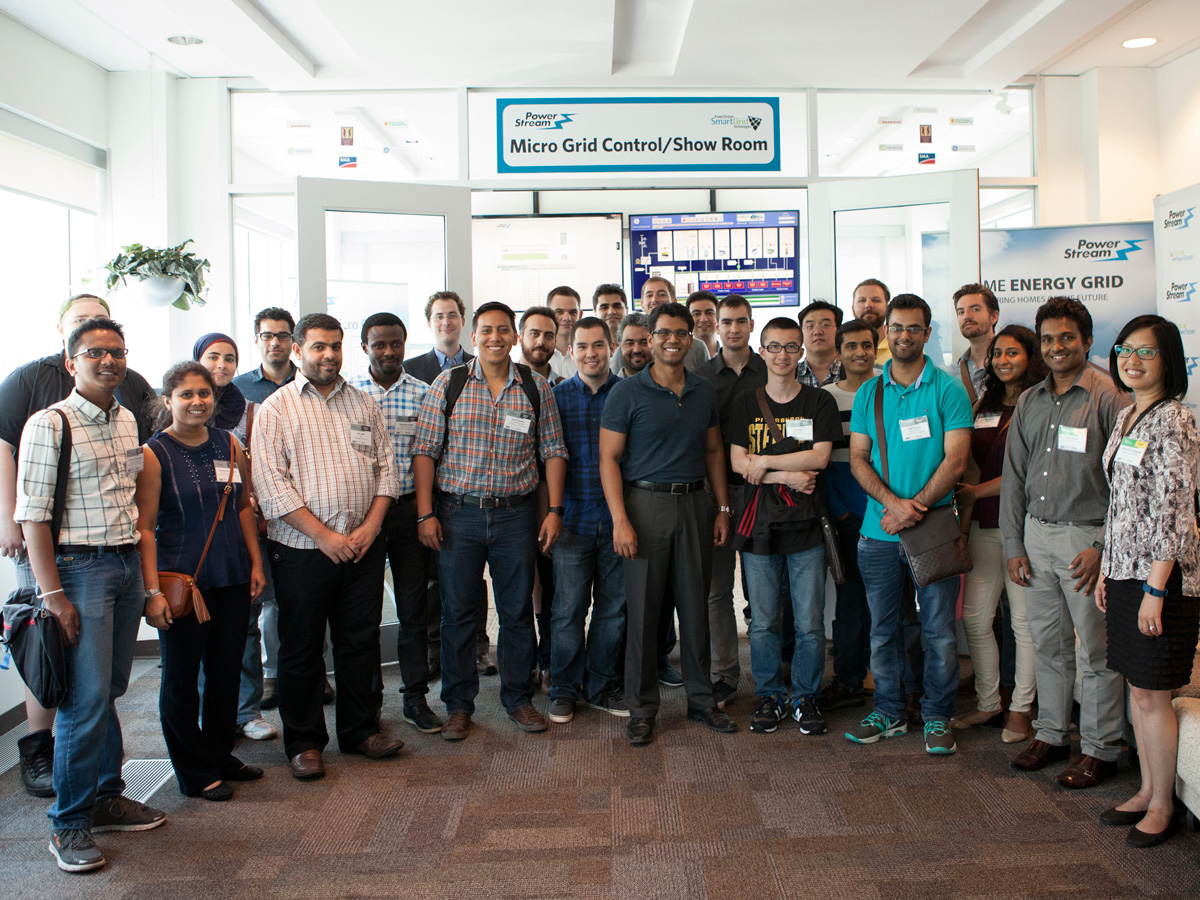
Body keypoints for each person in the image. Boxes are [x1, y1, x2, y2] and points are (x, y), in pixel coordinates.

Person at [15, 317, 166, 873]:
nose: (109, 361)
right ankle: (69, 823)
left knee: (108, 689)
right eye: (95, 352)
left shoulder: (127, 419)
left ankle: (104, 796)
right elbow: (31, 516)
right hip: (77, 569)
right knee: (83, 701)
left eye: (118, 351)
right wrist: (53, 594)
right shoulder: (48, 424)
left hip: (124, 563)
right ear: (70, 360)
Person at [251, 312, 404, 781]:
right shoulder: (276, 409)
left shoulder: (363, 404)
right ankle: (304, 742)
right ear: (297, 350)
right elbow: (271, 485)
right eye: (318, 346)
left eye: (335, 345)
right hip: (301, 550)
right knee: (301, 648)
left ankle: (361, 731)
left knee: (359, 643)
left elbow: (387, 471)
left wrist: (370, 528)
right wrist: (324, 537)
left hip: (361, 547)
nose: (329, 355)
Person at [412, 301, 568, 741]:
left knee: (517, 612)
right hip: (457, 514)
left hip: (516, 516)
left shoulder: (536, 387)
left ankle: (518, 699)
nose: (495, 337)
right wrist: (425, 513)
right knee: (458, 614)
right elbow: (425, 450)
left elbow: (553, 453)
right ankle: (459, 706)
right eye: (486, 330)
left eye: (503, 330)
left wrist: (553, 511)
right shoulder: (449, 383)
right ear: (473, 336)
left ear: (514, 337)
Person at [1002, 297, 1130, 789]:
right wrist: (1014, 543)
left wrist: (1102, 544)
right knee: (1049, 645)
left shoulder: (1108, 396)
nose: (1057, 347)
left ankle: (1101, 747)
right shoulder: (1031, 400)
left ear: (1088, 341)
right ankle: (1053, 733)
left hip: (1086, 540)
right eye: (1049, 339)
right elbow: (1014, 477)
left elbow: (1126, 482)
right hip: (1036, 537)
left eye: (1067, 338)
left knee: (1095, 651)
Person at [600, 301, 737, 746]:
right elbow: (608, 459)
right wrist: (620, 520)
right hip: (644, 506)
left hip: (696, 504)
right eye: (663, 333)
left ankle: (701, 702)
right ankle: (641, 710)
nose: (673, 339)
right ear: (651, 338)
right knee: (643, 612)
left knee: (695, 608)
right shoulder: (626, 392)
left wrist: (722, 508)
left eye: (681, 332)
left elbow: (715, 452)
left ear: (691, 337)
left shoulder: (702, 390)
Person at [135, 362, 267, 802]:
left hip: (230, 576)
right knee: (181, 679)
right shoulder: (154, 454)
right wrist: (152, 592)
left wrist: (255, 563)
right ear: (168, 400)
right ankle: (193, 770)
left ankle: (218, 753)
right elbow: (146, 527)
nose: (197, 402)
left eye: (204, 394)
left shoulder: (229, 443)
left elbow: (244, 508)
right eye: (187, 394)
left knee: (226, 673)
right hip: (183, 585)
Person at [847, 293, 973, 755]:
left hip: (933, 529)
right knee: (884, 629)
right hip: (877, 532)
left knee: (938, 630)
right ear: (886, 332)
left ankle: (938, 716)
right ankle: (889, 710)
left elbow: (957, 461)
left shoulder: (947, 390)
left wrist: (913, 506)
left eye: (913, 328)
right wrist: (892, 504)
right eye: (896, 327)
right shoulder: (869, 392)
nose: (903, 335)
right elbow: (859, 459)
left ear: (926, 332)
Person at [1095, 314, 1200, 848]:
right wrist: (1108, 570)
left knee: (1155, 694)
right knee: (1138, 690)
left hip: (1163, 581)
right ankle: (1146, 789)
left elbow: (1175, 512)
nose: (1131, 360)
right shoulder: (1128, 416)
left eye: (1146, 352)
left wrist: (1156, 588)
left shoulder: (1175, 419)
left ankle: (1164, 806)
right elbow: (1123, 506)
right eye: (1124, 349)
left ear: (1169, 359)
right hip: (1126, 573)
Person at [728, 318, 840, 734]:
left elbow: (820, 458)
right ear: (762, 352)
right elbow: (739, 464)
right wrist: (786, 476)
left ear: (801, 353)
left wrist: (767, 463)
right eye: (773, 347)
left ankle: (805, 696)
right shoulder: (744, 402)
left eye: (790, 347)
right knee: (764, 620)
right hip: (760, 527)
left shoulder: (818, 402)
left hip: (806, 527)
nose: (782, 356)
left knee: (810, 622)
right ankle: (771, 695)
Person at [347, 312, 442, 734]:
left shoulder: (425, 393)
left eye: (395, 344)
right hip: (362, 517)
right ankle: (369, 704)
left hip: (407, 512)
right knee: (364, 615)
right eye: (379, 344)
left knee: (414, 610)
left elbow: (432, 456)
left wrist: (426, 513)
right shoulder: (347, 396)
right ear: (365, 346)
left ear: (405, 344)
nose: (388, 352)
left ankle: (415, 697)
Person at [951, 325, 1044, 742]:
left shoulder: (1041, 404)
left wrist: (973, 492)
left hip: (1023, 530)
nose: (1004, 360)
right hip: (984, 526)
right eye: (998, 354)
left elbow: (1028, 476)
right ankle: (990, 704)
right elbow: (970, 464)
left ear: (1031, 357)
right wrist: (965, 523)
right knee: (975, 619)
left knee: (1023, 625)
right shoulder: (983, 406)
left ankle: (1022, 709)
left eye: (1013, 353)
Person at [403, 290, 494, 680]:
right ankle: (434, 650)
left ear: (463, 322)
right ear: (430, 323)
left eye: (453, 315)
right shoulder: (411, 369)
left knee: (474, 577)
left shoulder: (485, 365)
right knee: (435, 579)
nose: (447, 322)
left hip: (469, 490)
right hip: (428, 491)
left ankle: (479, 647)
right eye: (439, 316)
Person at [195, 331, 279, 740]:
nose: (222, 366)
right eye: (214, 357)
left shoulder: (250, 410)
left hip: (240, 527)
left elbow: (260, 471)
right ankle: (204, 716)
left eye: (230, 358)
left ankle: (246, 711)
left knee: (244, 625)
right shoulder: (177, 407)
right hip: (193, 537)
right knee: (195, 626)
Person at [547, 317, 628, 722]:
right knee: (568, 611)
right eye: (582, 346)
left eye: (598, 345)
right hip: (573, 522)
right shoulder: (556, 397)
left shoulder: (628, 394)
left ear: (610, 346)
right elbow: (546, 460)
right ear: (571, 350)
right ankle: (563, 688)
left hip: (618, 521)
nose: (591, 354)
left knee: (613, 611)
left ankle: (602, 685)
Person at [696, 294, 766, 707]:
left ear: (751, 325)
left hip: (765, 493)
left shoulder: (771, 369)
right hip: (714, 495)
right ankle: (723, 674)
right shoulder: (702, 376)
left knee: (765, 593)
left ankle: (771, 674)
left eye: (741, 321)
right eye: (727, 322)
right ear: (716, 327)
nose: (734, 328)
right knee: (716, 592)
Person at [231, 307, 299, 717]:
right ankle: (269, 680)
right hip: (253, 511)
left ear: (293, 341)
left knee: (293, 599)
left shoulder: (306, 381)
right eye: (266, 336)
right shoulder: (237, 391)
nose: (275, 343)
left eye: (282, 335)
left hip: (299, 510)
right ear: (257, 340)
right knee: (262, 600)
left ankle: (302, 675)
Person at [817, 319, 879, 713]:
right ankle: (848, 678)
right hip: (845, 512)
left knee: (890, 601)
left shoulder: (890, 391)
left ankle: (892, 679)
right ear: (838, 351)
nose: (859, 352)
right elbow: (821, 465)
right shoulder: (824, 398)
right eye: (851, 346)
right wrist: (838, 510)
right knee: (849, 601)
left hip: (886, 510)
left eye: (866, 345)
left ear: (877, 347)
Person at [516, 305, 563, 689]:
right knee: (515, 589)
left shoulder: (561, 385)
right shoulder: (505, 381)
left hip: (548, 505)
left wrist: (553, 509)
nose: (542, 342)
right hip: (512, 506)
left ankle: (548, 663)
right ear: (521, 337)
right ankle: (523, 663)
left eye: (549, 335)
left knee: (550, 588)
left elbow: (555, 452)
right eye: (535, 334)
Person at [639, 276, 708, 370]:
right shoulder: (631, 347)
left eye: (662, 294)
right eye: (649, 295)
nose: (654, 299)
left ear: (674, 301)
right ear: (642, 305)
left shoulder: (697, 348)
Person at [952, 284, 1000, 403]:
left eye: (975, 309)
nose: (967, 316)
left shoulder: (1009, 364)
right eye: (961, 312)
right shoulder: (953, 371)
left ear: (994, 316)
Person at [795, 300, 844, 387]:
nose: (818, 332)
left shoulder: (851, 372)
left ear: (839, 330)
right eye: (810, 326)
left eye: (825, 325)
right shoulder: (791, 374)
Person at [851, 278, 891, 365]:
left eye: (876, 300)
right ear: (852, 309)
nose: (868, 305)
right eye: (862, 300)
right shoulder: (839, 349)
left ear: (888, 309)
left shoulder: (900, 348)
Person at [547, 285, 581, 379]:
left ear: (580, 315)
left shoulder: (588, 355)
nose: (567, 318)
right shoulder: (538, 353)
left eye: (573, 312)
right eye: (559, 312)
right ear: (549, 314)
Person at [610, 313, 652, 378]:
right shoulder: (613, 387)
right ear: (619, 345)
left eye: (644, 343)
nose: (636, 350)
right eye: (630, 343)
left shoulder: (670, 384)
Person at [687, 290, 720, 358]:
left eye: (709, 313)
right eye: (696, 314)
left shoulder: (729, 356)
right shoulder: (681, 358)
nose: (703, 319)